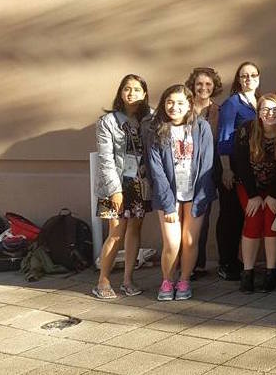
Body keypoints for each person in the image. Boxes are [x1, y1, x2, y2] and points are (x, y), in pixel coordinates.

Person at [147, 84, 215, 301]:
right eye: (169, 102)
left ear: (189, 105)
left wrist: (201, 198)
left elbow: (207, 164)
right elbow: (156, 171)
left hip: (195, 194)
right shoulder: (156, 129)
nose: (173, 107)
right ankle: (167, 280)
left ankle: (184, 279)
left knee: (189, 240)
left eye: (179, 103)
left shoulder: (201, 127)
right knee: (172, 242)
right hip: (169, 195)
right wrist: (167, 203)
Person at [92, 74, 152, 299]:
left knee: (135, 231)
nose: (132, 93)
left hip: (138, 184)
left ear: (144, 94)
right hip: (112, 185)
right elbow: (105, 159)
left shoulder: (149, 118)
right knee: (116, 232)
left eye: (137, 89)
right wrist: (115, 190)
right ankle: (103, 281)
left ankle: (128, 279)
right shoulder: (106, 122)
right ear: (120, 92)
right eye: (127, 89)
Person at [232, 93, 276, 293]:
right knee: (254, 219)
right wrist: (254, 195)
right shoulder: (246, 129)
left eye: (275, 110)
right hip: (249, 186)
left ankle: (271, 271)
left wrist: (273, 195)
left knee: (272, 220)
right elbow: (241, 164)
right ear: (258, 113)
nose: (270, 114)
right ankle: (248, 272)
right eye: (265, 109)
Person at [216, 62, 261, 280]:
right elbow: (224, 137)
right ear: (238, 80)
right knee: (230, 215)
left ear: (258, 78)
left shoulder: (259, 102)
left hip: (251, 166)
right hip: (232, 166)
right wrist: (226, 169)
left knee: (246, 215)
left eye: (253, 75)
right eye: (244, 76)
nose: (249, 79)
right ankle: (227, 262)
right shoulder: (232, 103)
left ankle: (244, 261)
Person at [184, 67, 223, 277]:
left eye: (208, 84)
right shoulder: (184, 108)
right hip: (185, 168)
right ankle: (183, 262)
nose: (204, 88)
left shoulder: (219, 110)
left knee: (203, 213)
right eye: (199, 84)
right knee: (183, 216)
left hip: (210, 167)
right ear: (193, 85)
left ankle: (197, 264)